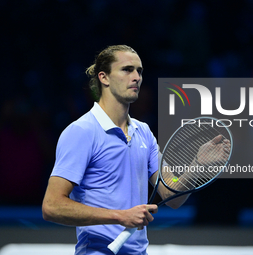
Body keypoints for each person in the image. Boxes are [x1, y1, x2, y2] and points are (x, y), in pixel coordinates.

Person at [42, 45, 190, 255]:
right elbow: (52, 206)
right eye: (127, 70)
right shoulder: (82, 131)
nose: (136, 77)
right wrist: (120, 216)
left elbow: (171, 193)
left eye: (139, 71)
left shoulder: (144, 132)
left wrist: (197, 167)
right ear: (104, 78)